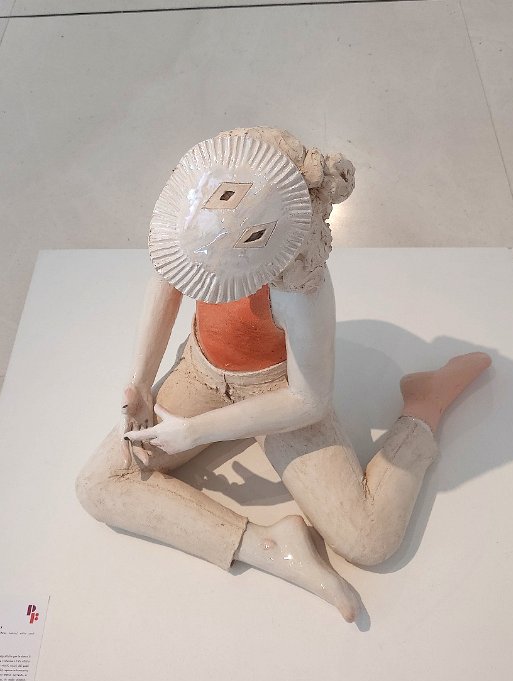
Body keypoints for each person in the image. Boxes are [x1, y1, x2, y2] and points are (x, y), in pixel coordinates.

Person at [76, 127, 491, 622]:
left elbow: (308, 399)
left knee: (369, 539)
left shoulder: (299, 283)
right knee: (99, 483)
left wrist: (195, 431)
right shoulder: (201, 229)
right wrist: (141, 381)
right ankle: (268, 546)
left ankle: (424, 407)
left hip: (277, 389)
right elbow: (168, 277)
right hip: (202, 371)